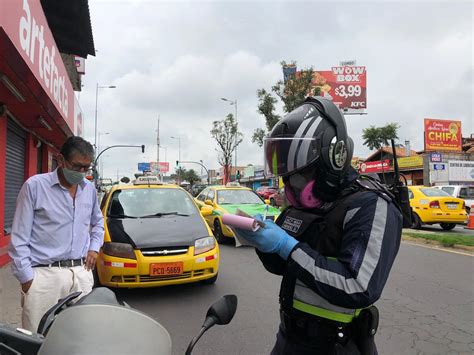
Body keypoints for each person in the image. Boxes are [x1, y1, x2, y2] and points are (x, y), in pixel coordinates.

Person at [235, 97, 403, 354]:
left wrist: (287, 247)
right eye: (287, 179)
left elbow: (358, 287)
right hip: (289, 339)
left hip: (335, 345)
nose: (292, 187)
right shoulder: (305, 206)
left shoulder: (370, 206)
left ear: (334, 160)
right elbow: (281, 266)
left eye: (300, 176)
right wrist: (260, 242)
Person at [8, 136, 104, 332]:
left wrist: (94, 248)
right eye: (77, 167)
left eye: (87, 168)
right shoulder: (35, 186)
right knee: (38, 337)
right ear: (61, 160)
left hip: (80, 273)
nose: (82, 173)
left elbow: (98, 223)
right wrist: (28, 280)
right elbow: (19, 237)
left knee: (80, 335)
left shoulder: (89, 190)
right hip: (44, 275)